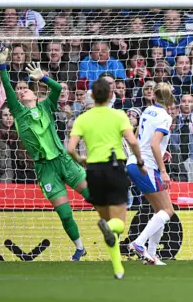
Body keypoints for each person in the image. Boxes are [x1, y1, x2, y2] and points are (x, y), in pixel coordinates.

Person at [0, 47, 90, 261]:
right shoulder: (19, 113)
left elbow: (57, 89)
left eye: (26, 90)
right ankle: (80, 248)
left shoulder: (46, 106)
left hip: (63, 160)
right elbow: (9, 89)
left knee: (91, 196)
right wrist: (2, 66)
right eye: (20, 92)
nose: (21, 92)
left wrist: (44, 77)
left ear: (35, 94)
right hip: (45, 169)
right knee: (64, 214)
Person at [67, 77, 145, 280]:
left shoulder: (83, 119)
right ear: (111, 95)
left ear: (91, 95)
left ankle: (118, 269)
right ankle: (110, 230)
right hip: (115, 168)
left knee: (105, 218)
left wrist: (81, 160)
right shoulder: (118, 115)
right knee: (118, 222)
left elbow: (69, 148)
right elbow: (132, 141)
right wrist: (140, 161)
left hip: (93, 171)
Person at [126, 82, 176, 266]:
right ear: (170, 98)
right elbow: (155, 144)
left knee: (160, 211)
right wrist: (163, 171)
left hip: (134, 161)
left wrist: (162, 152)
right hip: (147, 166)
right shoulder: (165, 117)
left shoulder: (147, 110)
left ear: (154, 96)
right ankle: (139, 243)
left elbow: (139, 135)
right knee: (168, 210)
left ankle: (153, 255)